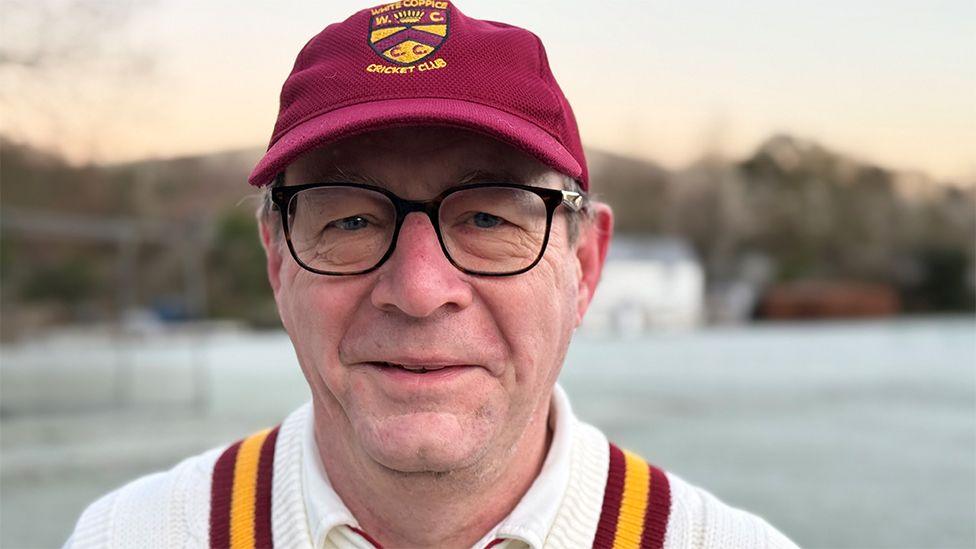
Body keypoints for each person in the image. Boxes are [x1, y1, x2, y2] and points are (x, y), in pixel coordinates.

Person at [67, 3, 799, 548]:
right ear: (276, 258)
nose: (419, 290)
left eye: (487, 219)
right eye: (350, 221)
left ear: (583, 266)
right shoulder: (130, 535)